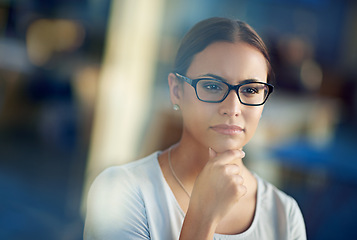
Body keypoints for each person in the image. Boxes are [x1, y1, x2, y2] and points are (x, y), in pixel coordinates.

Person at [84, 17, 306, 240]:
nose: (233, 108)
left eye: (250, 90)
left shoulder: (285, 215)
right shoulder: (122, 192)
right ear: (176, 90)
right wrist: (203, 216)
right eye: (212, 86)